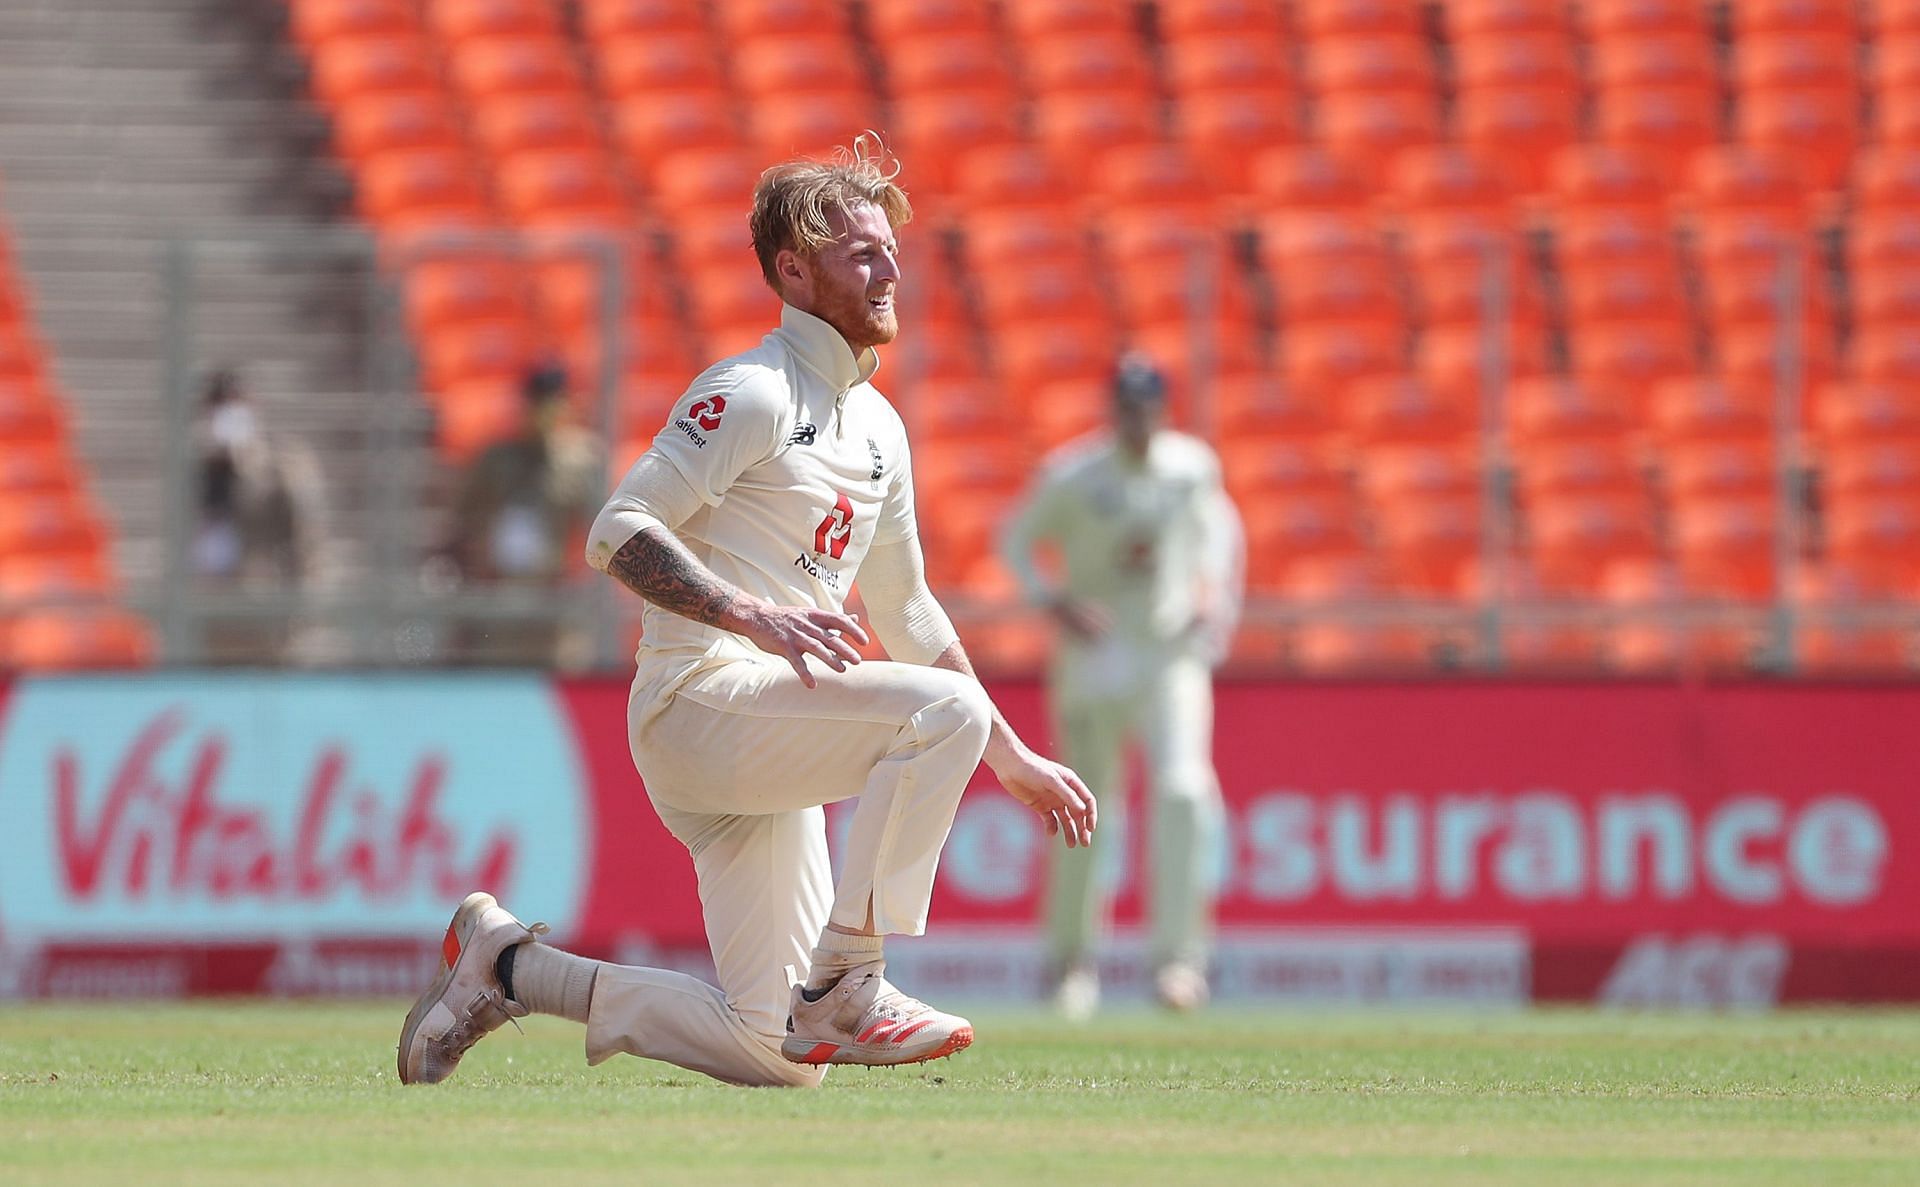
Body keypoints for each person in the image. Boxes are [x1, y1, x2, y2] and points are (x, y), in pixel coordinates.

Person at [398, 139, 1097, 1088]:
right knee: (946, 712)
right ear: (794, 270)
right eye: (863, 253)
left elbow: (909, 608)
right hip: (699, 699)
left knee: (779, 1051)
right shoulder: (752, 390)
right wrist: (748, 613)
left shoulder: (880, 425)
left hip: (768, 730)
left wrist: (1012, 760)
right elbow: (618, 527)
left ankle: (509, 966)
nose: (891, 268)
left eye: (891, 249)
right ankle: (850, 978)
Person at [1000, 354, 1243, 1018]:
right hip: (1095, 660)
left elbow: (1221, 531)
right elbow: (1016, 542)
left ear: (1163, 410)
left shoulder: (1191, 467)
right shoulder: (1075, 474)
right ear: (1113, 410)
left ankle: (1178, 962)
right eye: (1127, 409)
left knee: (1186, 792)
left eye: (1148, 408)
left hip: (1168, 656)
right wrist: (1056, 603)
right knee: (1084, 810)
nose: (1138, 422)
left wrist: (1213, 594)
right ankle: (1070, 964)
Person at [444, 360, 604, 666]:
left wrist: (577, 575)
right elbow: (462, 520)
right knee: (500, 681)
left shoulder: (581, 459)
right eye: (537, 402)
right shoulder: (496, 458)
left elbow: (600, 528)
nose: (543, 411)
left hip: (553, 598)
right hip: (499, 596)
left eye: (551, 402)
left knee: (560, 679)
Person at [191, 368, 325, 661]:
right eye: (217, 405)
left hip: (263, 615)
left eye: (233, 403)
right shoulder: (196, 468)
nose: (225, 414)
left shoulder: (279, 464)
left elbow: (306, 544)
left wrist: (298, 616)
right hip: (210, 615)